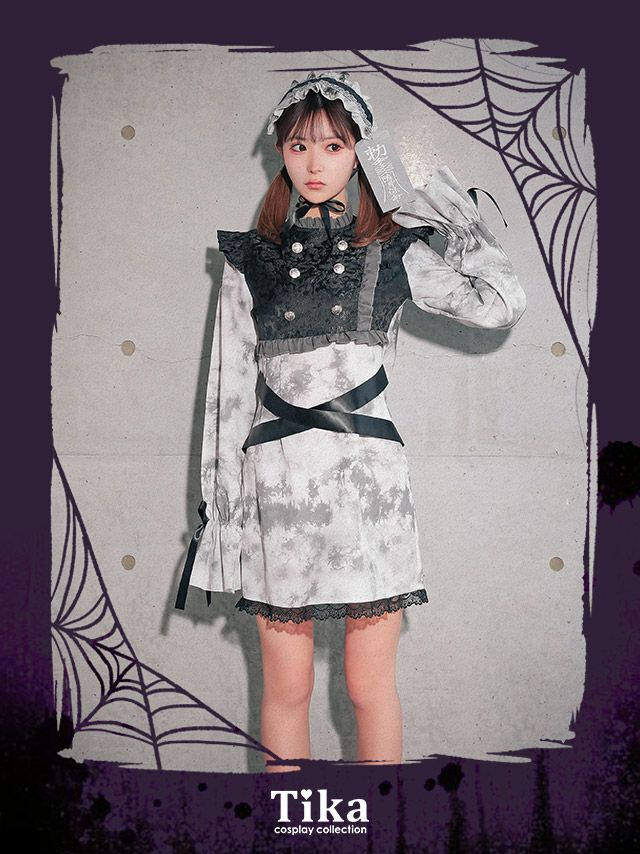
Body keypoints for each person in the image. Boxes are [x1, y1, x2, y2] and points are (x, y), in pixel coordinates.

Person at [174, 71, 527, 770]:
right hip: (278, 490)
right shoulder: (252, 260)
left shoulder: (393, 251)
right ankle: (291, 820)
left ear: (361, 152)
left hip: (369, 490)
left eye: (334, 146)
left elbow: (499, 303)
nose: (314, 162)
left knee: (369, 688)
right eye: (300, 145)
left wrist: (428, 204)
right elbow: (228, 395)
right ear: (281, 150)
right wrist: (223, 514)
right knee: (287, 688)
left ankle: (380, 821)